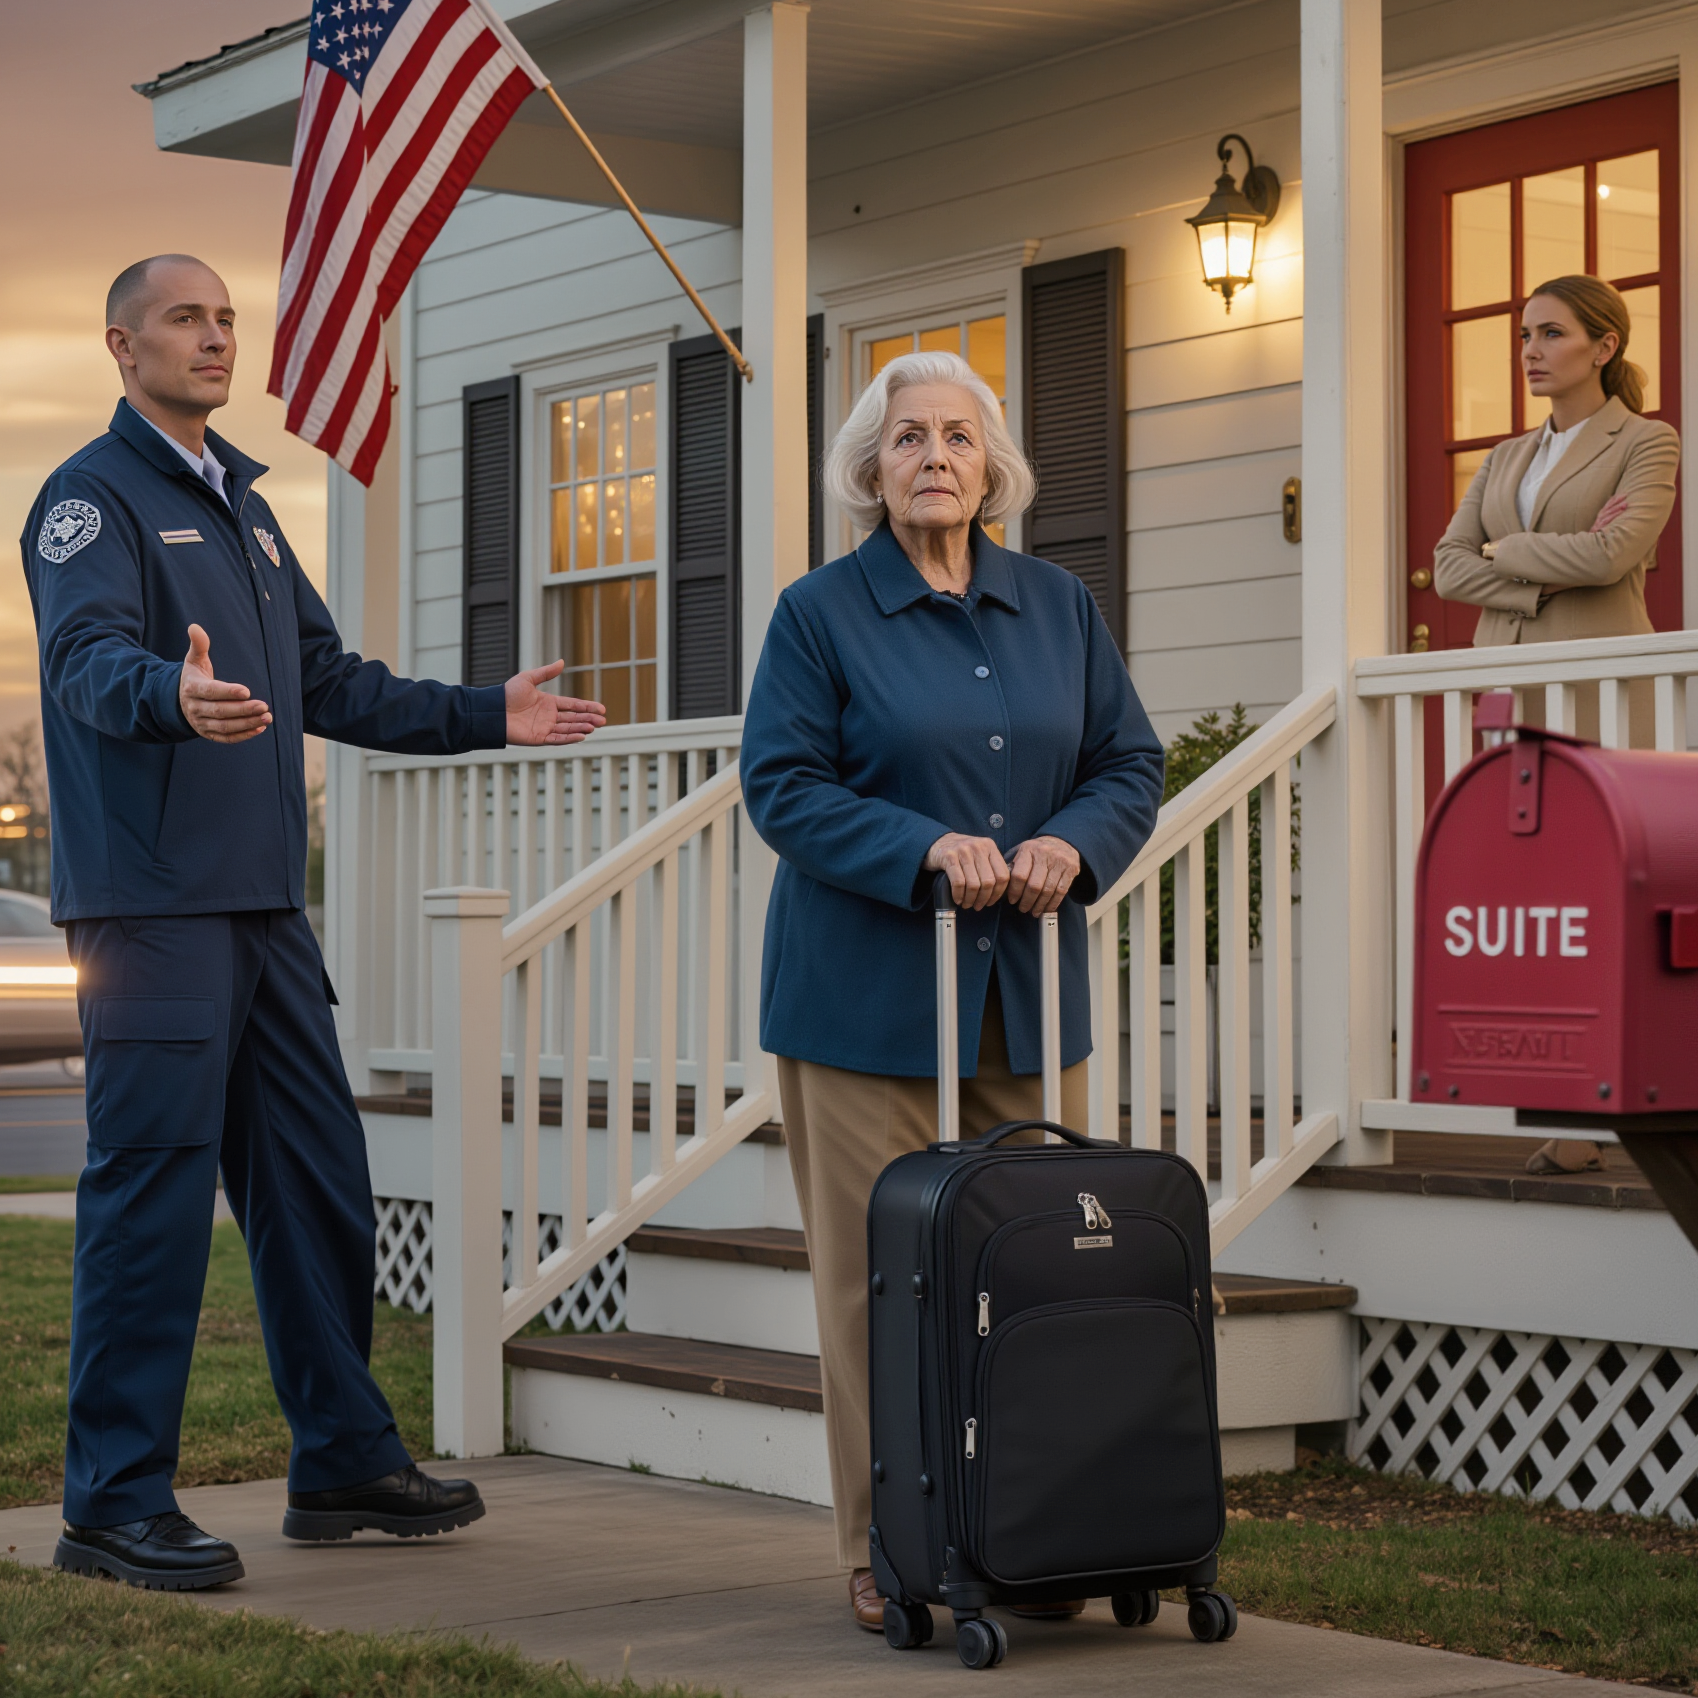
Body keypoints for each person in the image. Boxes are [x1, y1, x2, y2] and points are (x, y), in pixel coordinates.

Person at [22, 255, 606, 1591]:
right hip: (155, 914)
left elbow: (328, 679)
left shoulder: (246, 509)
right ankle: (111, 1501)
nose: (218, 336)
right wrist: (167, 694)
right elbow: (85, 660)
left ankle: (343, 1458)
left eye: (229, 318)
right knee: (152, 1195)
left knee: (321, 1185)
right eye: (188, 317)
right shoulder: (89, 500)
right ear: (123, 344)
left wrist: (481, 713)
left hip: (270, 916)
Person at [740, 350, 1164, 1632]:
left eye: (960, 437)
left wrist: (1071, 844)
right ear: (870, 469)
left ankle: (1045, 1532)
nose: (936, 455)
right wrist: (922, 849)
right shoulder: (820, 614)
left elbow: (1126, 761)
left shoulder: (1059, 605)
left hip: (1026, 1001)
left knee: (1043, 1273)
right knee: (883, 1287)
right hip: (865, 1007)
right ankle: (892, 1551)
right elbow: (785, 786)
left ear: (995, 468)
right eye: (909, 435)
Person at [1434, 274, 1679, 1176]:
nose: (1531, 349)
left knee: (1602, 905)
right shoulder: (1504, 458)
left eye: (1551, 333)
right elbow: (1448, 567)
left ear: (1604, 346)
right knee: (1526, 904)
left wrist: (1502, 553)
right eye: (1524, 333)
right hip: (1513, 694)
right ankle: (1565, 1108)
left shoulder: (1647, 444)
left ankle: (1604, 1115)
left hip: (1600, 693)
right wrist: (1535, 571)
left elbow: (1616, 553)